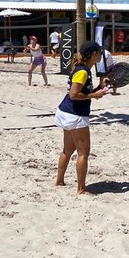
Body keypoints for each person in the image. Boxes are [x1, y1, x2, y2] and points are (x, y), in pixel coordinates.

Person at [54, 41, 107, 195]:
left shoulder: (83, 70)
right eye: (99, 53)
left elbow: (82, 91)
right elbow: (74, 95)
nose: (101, 55)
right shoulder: (83, 71)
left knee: (68, 150)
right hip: (75, 114)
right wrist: (94, 95)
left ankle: (59, 181)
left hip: (66, 112)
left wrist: (99, 89)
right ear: (93, 55)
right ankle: (81, 190)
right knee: (83, 153)